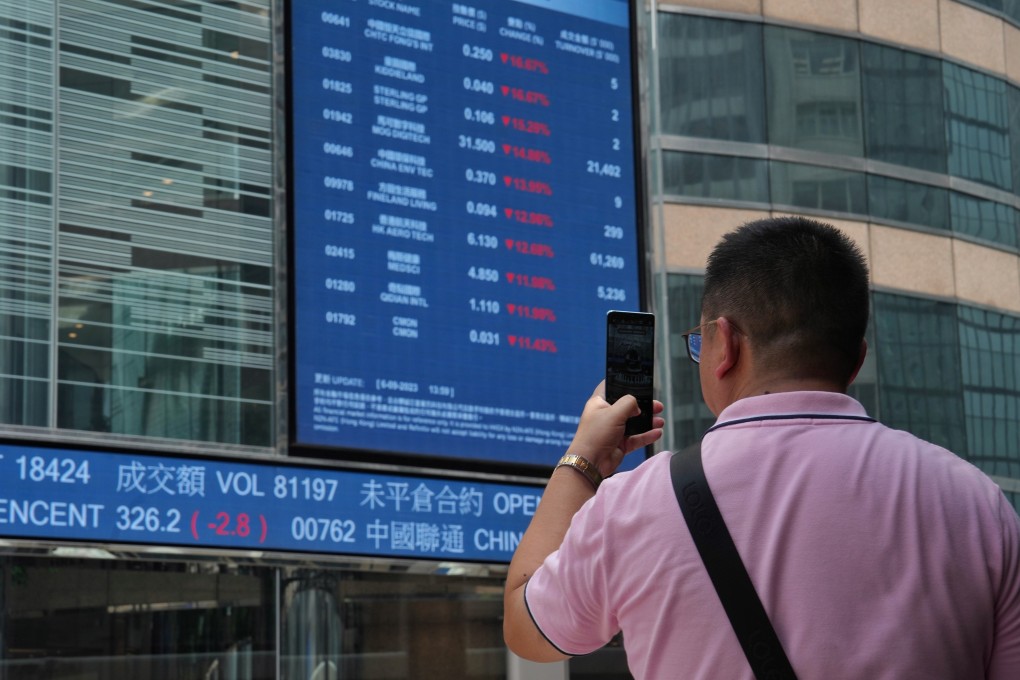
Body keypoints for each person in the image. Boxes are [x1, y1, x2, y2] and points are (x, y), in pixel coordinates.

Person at [503, 216, 1020, 679]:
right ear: (856, 359)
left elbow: (527, 627)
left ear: (725, 345)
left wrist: (583, 465)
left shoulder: (636, 505)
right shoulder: (978, 505)